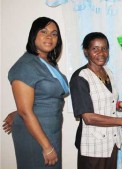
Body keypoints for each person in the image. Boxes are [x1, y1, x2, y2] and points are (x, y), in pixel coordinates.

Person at [69, 32, 122, 169]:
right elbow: (88, 117)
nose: (101, 52)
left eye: (105, 48)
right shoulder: (80, 78)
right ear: (86, 52)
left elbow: (107, 101)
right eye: (95, 49)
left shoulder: (108, 72)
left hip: (111, 142)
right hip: (93, 146)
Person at [7, 17, 68, 169]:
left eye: (54, 34)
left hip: (49, 130)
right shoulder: (25, 65)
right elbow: (26, 111)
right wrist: (47, 147)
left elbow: (39, 98)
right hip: (35, 134)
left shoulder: (48, 63)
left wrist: (16, 113)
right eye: (44, 32)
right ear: (33, 35)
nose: (49, 37)